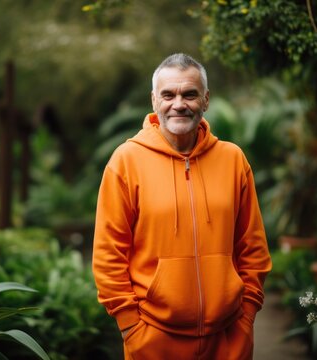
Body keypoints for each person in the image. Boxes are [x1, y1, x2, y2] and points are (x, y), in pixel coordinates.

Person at [92, 53, 272, 360]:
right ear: (154, 100)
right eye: (168, 94)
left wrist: (247, 316)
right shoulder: (126, 161)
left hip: (228, 339)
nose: (179, 103)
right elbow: (108, 254)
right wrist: (130, 327)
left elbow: (252, 246)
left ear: (205, 100)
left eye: (190, 94)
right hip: (152, 340)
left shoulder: (233, 160)